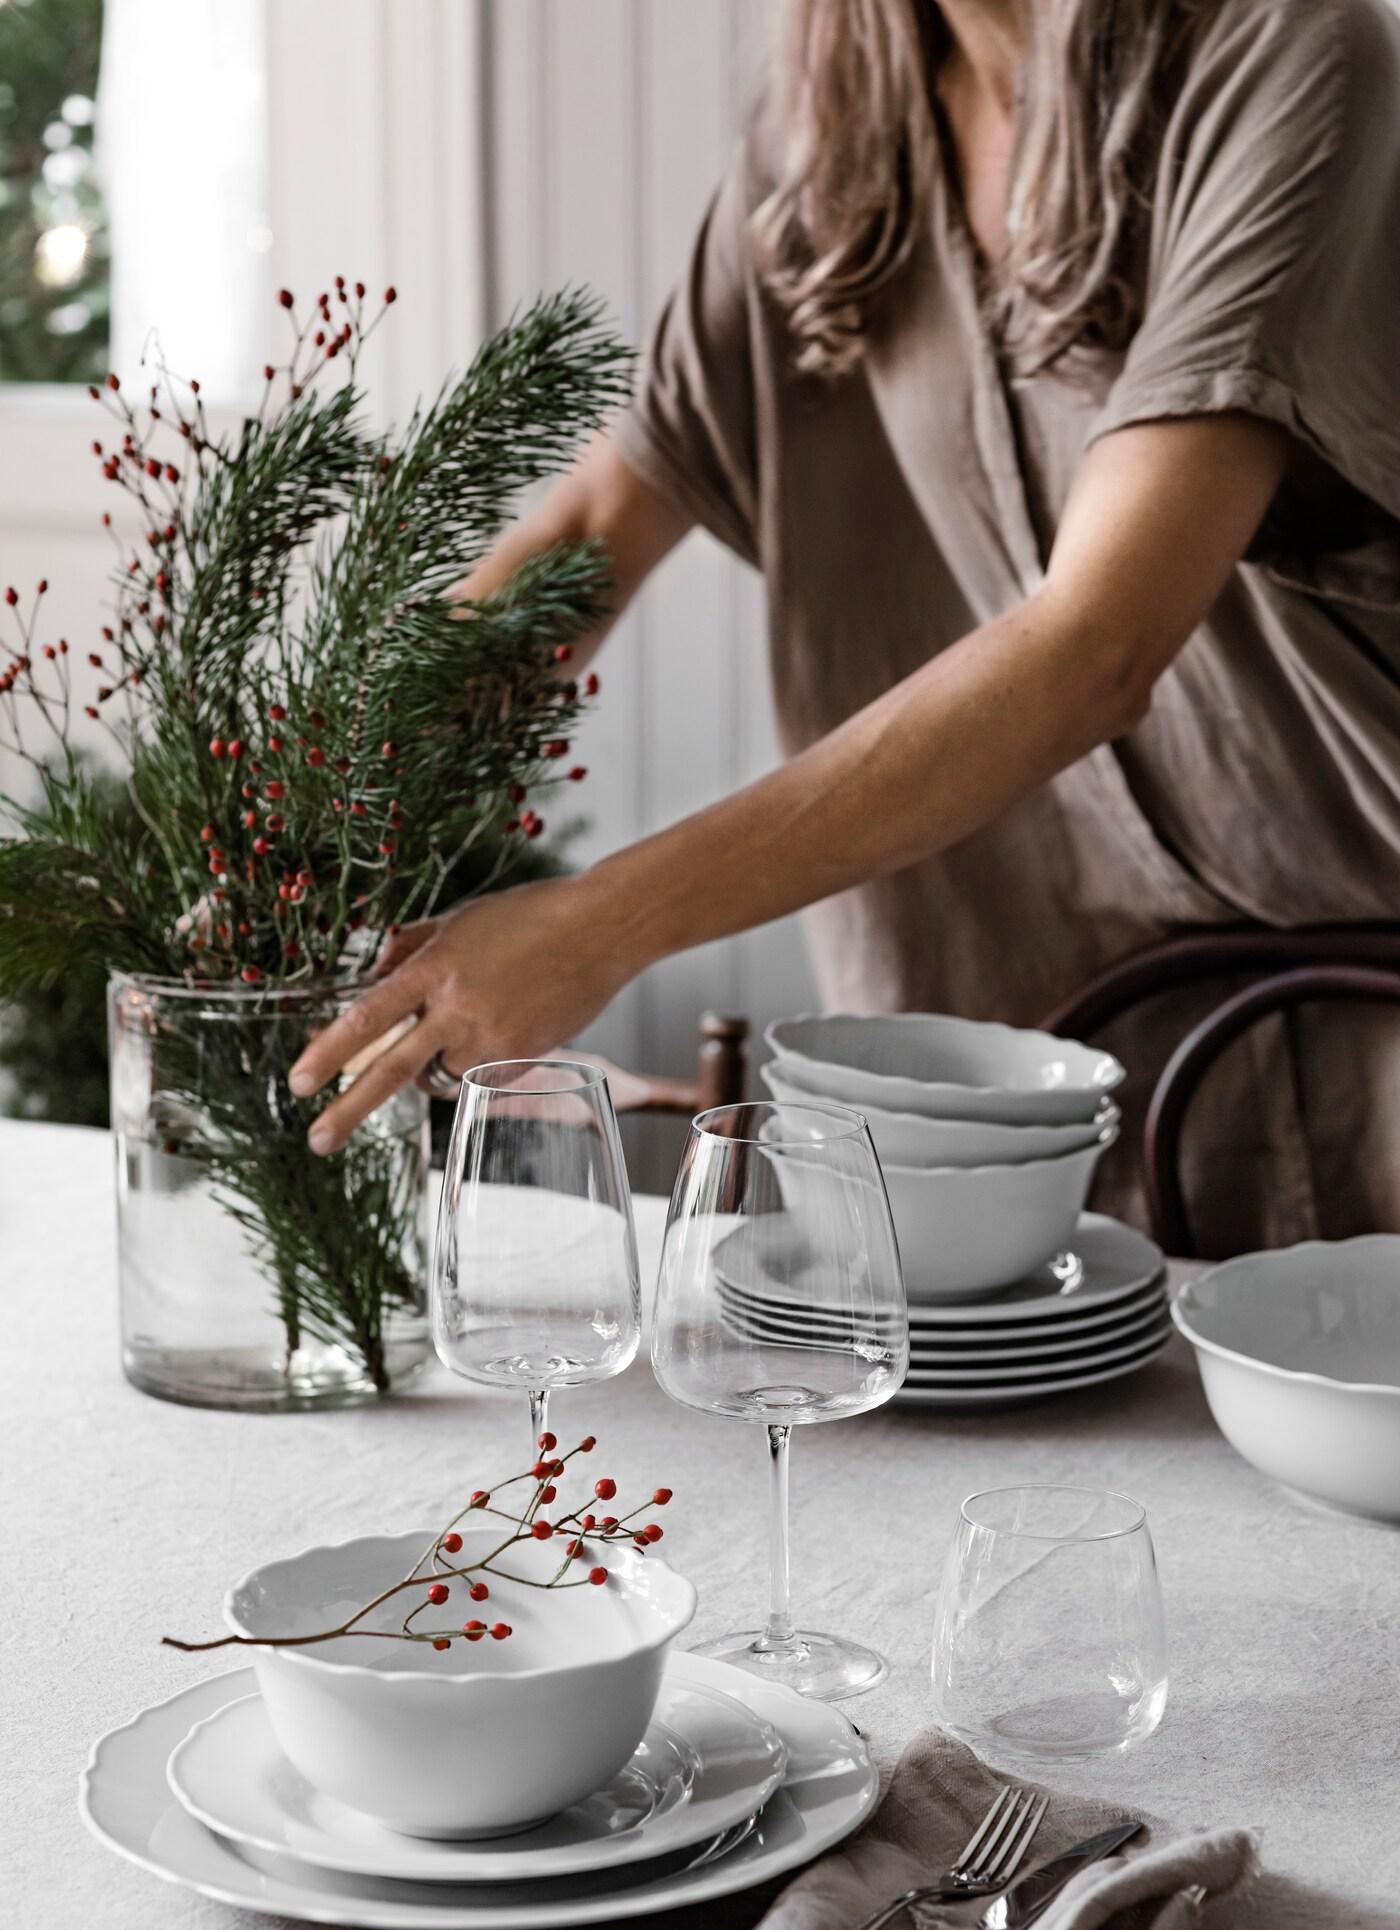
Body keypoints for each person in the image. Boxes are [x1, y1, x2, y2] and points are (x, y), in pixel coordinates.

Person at [290, 0, 1400, 1256]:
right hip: (1016, 1084)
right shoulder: (833, 133)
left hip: (1366, 1030)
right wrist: (302, 824)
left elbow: (1098, 645)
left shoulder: (1284, 52)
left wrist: (599, 925)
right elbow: (593, 528)